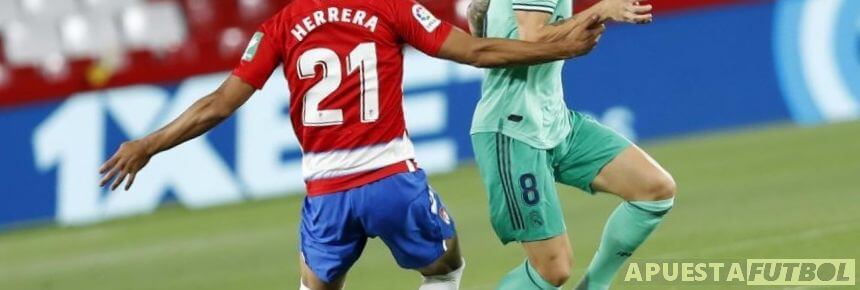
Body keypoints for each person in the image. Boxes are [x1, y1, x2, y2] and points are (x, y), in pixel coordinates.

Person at [98, 0, 606, 289]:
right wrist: (559, 45)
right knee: (446, 267)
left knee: (313, 285)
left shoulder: (281, 25)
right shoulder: (389, 7)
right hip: (391, 180)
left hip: (326, 192)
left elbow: (219, 103)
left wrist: (148, 144)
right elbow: (476, 51)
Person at [467, 0, 676, 289]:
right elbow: (532, 37)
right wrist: (601, 10)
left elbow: (481, 15)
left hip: (556, 121)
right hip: (512, 130)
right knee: (553, 269)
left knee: (654, 188)